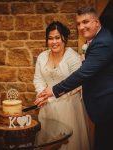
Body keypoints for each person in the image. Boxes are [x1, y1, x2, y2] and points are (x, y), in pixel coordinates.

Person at [35, 6, 113, 150]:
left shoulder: (102, 42)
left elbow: (82, 75)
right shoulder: (95, 40)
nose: (81, 27)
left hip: (102, 106)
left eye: (85, 22)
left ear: (96, 22)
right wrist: (42, 93)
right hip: (49, 105)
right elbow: (38, 78)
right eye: (78, 23)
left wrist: (52, 92)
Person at [33, 21, 90, 150]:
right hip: (47, 107)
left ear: (64, 38)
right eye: (50, 38)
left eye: (57, 38)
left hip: (68, 107)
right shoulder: (42, 57)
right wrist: (41, 95)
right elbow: (38, 79)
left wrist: (52, 96)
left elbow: (77, 85)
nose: (54, 42)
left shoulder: (73, 58)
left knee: (67, 143)